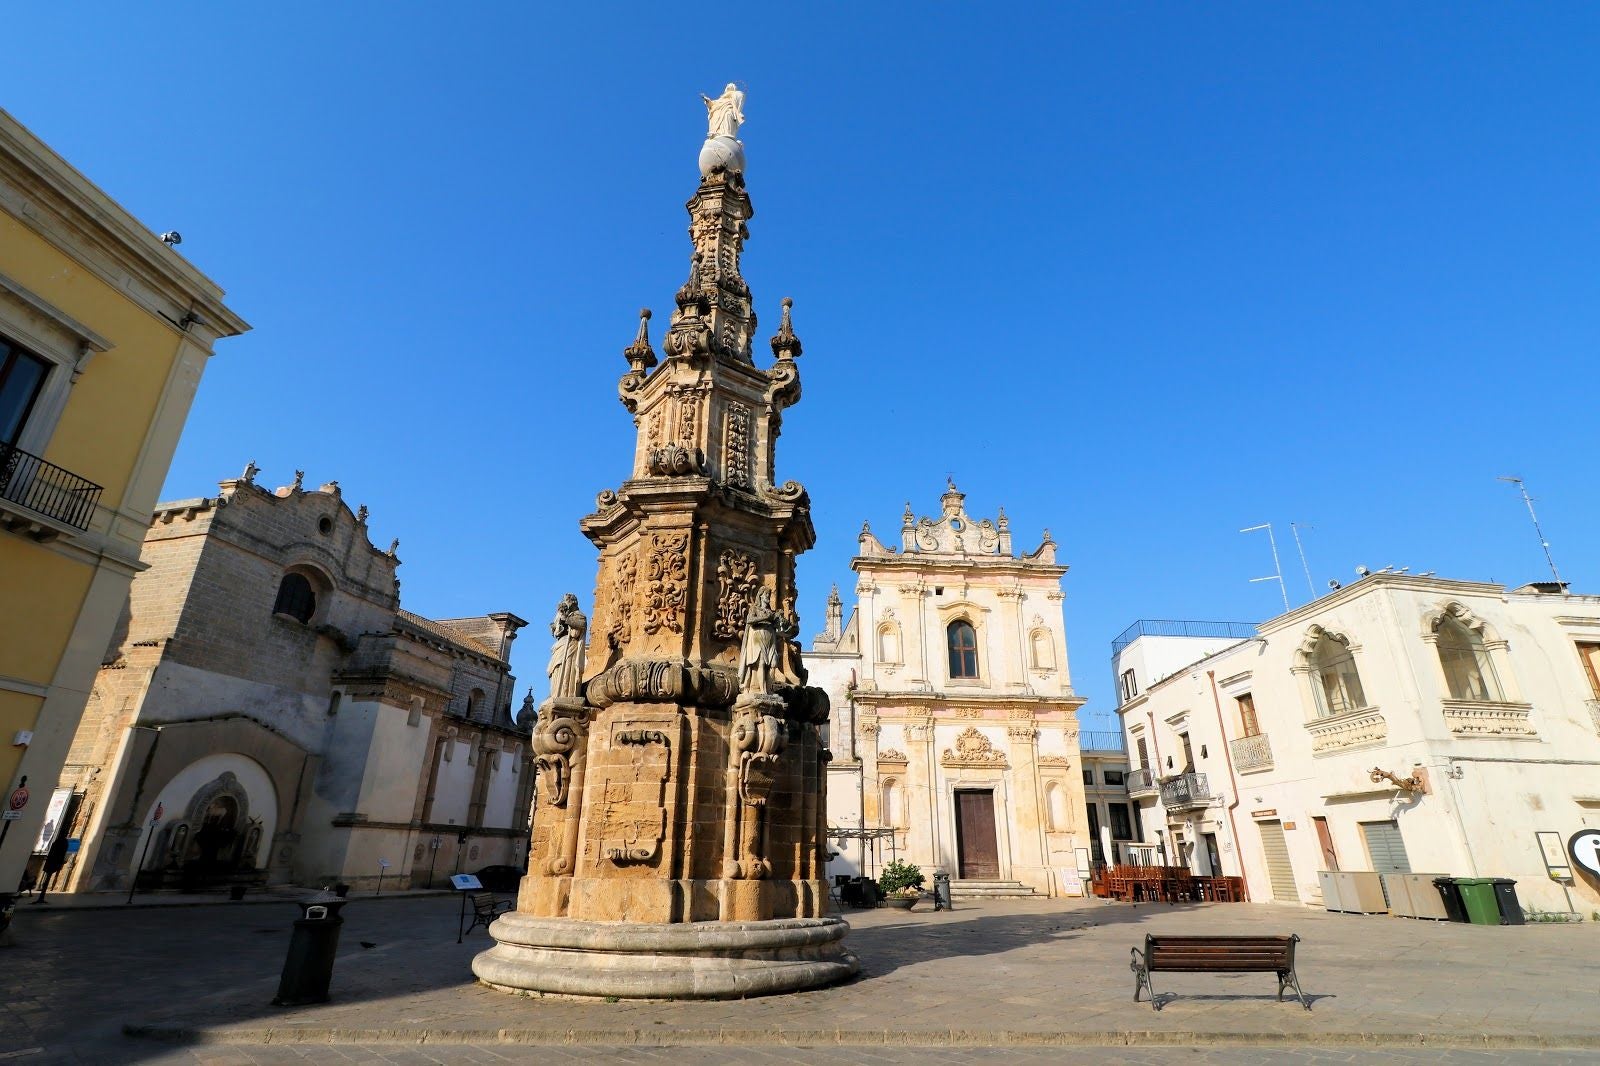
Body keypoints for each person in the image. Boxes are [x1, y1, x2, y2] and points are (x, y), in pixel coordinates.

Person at [546, 594, 587, 700]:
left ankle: (565, 694)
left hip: (570, 646)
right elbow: (557, 632)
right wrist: (557, 625)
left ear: (573, 602)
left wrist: (567, 620)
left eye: (567, 601)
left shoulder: (579, 615)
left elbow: (577, 631)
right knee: (555, 668)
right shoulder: (566, 614)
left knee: (566, 670)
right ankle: (555, 693)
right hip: (561, 644)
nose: (565, 603)